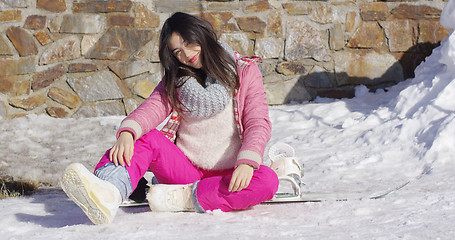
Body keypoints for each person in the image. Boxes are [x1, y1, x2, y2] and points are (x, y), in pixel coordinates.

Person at [61, 12, 279, 225]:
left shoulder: (244, 71)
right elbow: (153, 107)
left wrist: (248, 164)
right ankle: (108, 192)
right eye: (177, 51)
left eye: (187, 42)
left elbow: (257, 122)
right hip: (185, 171)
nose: (185, 54)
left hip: (231, 174)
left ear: (200, 34)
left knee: (267, 181)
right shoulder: (177, 81)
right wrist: (128, 132)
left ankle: (184, 198)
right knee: (145, 139)